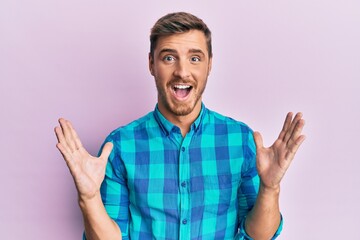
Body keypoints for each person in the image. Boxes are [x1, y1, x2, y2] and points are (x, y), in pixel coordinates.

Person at [55, 12, 305, 240]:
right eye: (169, 58)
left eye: (195, 58)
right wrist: (88, 198)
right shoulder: (120, 146)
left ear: (210, 65)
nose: (182, 71)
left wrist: (270, 188)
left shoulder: (239, 140)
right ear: (151, 64)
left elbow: (258, 236)